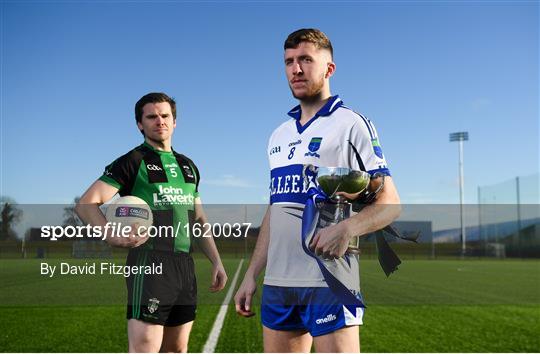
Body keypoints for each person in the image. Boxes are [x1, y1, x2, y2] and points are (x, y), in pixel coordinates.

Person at [234, 29, 401, 352]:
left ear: (329, 69)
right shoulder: (277, 136)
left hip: (329, 282)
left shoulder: (351, 124)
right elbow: (276, 210)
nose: (296, 69)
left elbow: (391, 202)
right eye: (289, 62)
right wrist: (252, 273)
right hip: (279, 284)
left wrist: (348, 228)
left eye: (306, 60)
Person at [76, 92, 227, 353]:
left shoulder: (188, 166)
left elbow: (199, 219)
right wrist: (110, 234)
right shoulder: (133, 161)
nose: (160, 121)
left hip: (184, 265)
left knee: (177, 349)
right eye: (152, 116)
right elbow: (86, 203)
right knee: (145, 348)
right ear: (140, 124)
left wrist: (216, 261)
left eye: (165, 115)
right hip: (150, 263)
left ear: (175, 121)